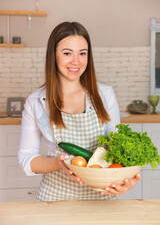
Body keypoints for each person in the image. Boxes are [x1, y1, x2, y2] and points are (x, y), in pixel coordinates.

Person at [18, 22, 141, 201]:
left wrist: (123, 180)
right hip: (54, 199)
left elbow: (117, 149)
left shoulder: (104, 95)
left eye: (82, 53)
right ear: (53, 56)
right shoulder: (37, 101)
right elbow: (26, 158)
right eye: (67, 53)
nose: (76, 61)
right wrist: (58, 163)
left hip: (101, 198)